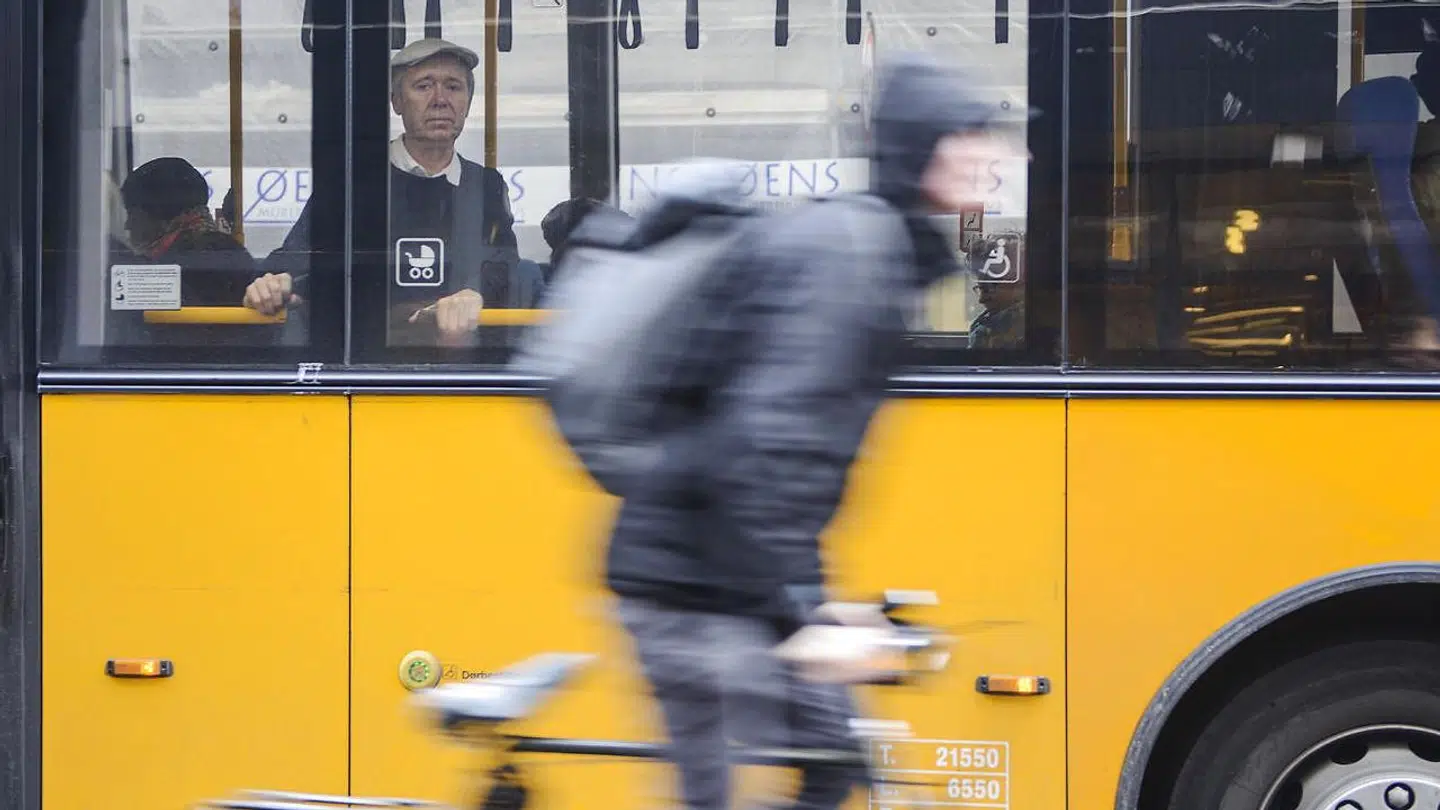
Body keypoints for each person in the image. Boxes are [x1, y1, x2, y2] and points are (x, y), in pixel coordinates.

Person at [601, 53, 1011, 810]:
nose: (996, 156)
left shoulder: (876, 247)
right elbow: (766, 445)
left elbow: (792, 462)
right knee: (725, 789)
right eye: (972, 137)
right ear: (924, 147)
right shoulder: (852, 257)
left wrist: (818, 606)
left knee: (832, 758)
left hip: (725, 569)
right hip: (690, 585)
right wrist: (805, 613)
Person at [244, 37, 541, 344]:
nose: (440, 99)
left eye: (453, 86)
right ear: (396, 101)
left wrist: (474, 294)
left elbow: (503, 270)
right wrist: (272, 283)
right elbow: (297, 260)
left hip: (459, 363)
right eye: (424, 86)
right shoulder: (353, 180)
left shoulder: (485, 185)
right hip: (369, 363)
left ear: (467, 101)